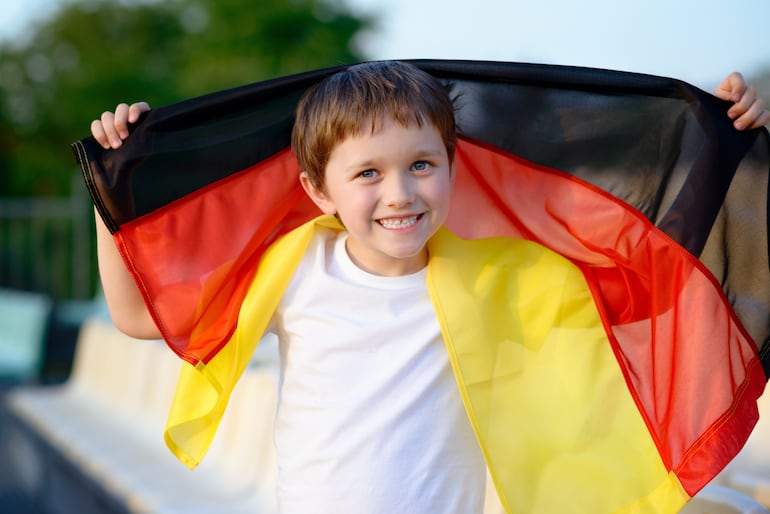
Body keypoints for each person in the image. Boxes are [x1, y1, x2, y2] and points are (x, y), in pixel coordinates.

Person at [89, 62, 770, 513]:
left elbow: (649, 284)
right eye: (368, 174)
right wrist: (110, 194)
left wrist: (723, 147)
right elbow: (138, 316)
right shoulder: (293, 273)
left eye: (421, 164)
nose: (399, 193)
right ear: (316, 191)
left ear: (452, 166)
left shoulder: (500, 277)